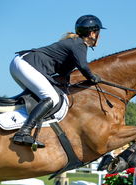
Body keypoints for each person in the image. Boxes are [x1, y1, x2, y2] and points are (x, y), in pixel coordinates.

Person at [10, 14, 105, 148]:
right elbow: (83, 67)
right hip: (26, 64)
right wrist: (93, 77)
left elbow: (63, 74)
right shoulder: (79, 44)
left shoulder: (75, 44)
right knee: (51, 98)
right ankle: (24, 132)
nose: (99, 36)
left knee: (41, 97)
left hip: (21, 63)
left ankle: (21, 125)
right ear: (92, 33)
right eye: (98, 32)